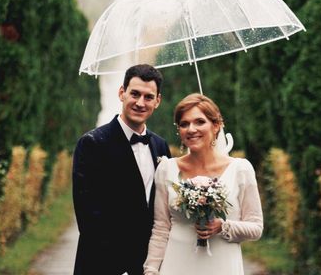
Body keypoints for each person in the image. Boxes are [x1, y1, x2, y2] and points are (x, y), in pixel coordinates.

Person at [144, 93, 263, 275]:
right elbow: (161, 228)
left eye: (199, 122)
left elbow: (255, 228)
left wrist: (222, 226)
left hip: (222, 265)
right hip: (176, 264)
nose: (191, 129)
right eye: (184, 124)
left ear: (216, 126)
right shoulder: (166, 169)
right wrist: (151, 269)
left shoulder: (241, 169)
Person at [73, 64, 172, 275]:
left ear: (158, 101)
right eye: (134, 94)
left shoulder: (160, 146)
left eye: (148, 97)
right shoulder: (93, 143)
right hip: (104, 264)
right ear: (121, 93)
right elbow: (89, 217)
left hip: (149, 266)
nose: (140, 103)